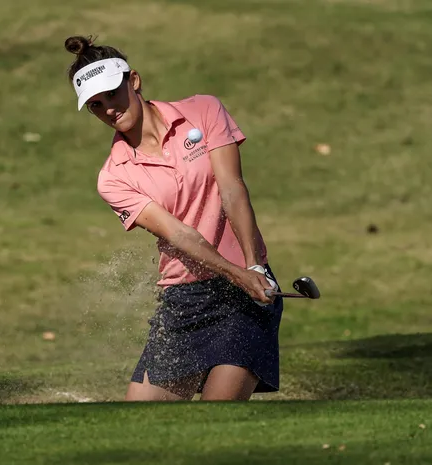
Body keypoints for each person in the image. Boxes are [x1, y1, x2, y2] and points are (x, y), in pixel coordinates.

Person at [64, 35, 284, 401]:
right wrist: (236, 272)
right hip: (184, 299)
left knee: (218, 415)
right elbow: (179, 234)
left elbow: (232, 189)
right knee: (139, 419)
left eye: (113, 95)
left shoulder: (203, 110)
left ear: (134, 80)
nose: (109, 110)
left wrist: (253, 267)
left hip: (246, 293)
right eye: (96, 105)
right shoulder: (113, 177)